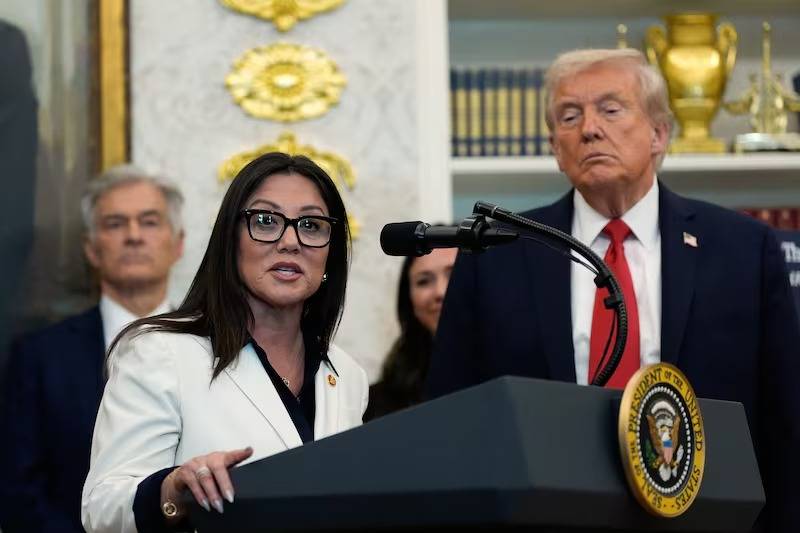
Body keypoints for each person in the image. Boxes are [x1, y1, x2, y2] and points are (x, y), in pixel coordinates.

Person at [427, 48, 800, 532]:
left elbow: (785, 423)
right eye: (569, 116)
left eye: (610, 109)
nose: (589, 129)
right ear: (555, 147)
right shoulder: (499, 255)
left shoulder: (744, 249)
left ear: (659, 134)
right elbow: (451, 418)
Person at [81, 152, 368, 533]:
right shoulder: (159, 353)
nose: (290, 241)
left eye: (311, 226)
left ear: (330, 254)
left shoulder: (347, 374)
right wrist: (172, 489)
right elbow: (102, 508)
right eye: (265, 221)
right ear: (230, 241)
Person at [0, 165, 185, 533]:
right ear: (91, 248)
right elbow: (18, 493)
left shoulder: (217, 346)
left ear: (178, 243)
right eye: (115, 224)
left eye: (149, 222)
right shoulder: (39, 357)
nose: (133, 236)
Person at [365, 248, 457, 421]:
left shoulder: (509, 373)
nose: (440, 292)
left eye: (454, 274)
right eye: (424, 281)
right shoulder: (375, 403)